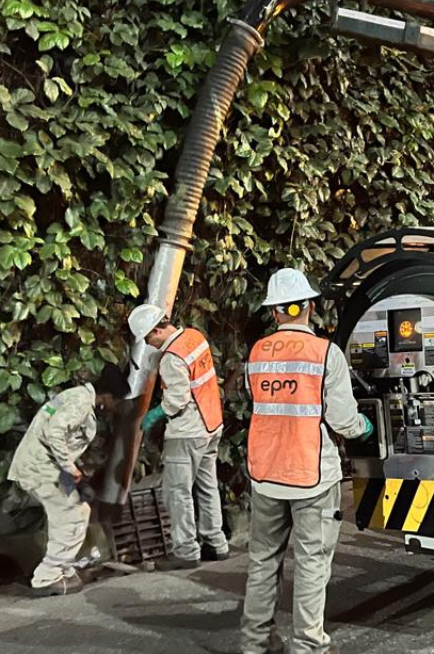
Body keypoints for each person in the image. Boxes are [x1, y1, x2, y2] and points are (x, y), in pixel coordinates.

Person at [240, 268, 373, 654]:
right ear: (310, 307)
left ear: (275, 312)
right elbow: (344, 421)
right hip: (311, 475)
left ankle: (254, 644)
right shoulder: (325, 353)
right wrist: (364, 426)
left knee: (263, 561)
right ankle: (308, 646)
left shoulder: (257, 353)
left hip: (265, 474)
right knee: (312, 562)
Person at [8, 364, 130, 596]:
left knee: (79, 510)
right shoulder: (81, 402)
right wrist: (70, 468)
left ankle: (61, 568)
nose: (117, 407)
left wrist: (73, 473)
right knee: (71, 516)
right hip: (41, 469)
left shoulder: (78, 397)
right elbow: (54, 432)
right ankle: (47, 576)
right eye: (117, 401)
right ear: (107, 396)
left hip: (47, 468)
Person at [128, 304, 230, 570]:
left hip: (187, 431)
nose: (150, 344)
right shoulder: (195, 337)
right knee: (207, 486)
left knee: (178, 492)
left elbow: (178, 398)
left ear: (158, 329)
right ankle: (216, 543)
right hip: (211, 425)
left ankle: (185, 551)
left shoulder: (172, 357)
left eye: (149, 338)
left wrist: (155, 415)